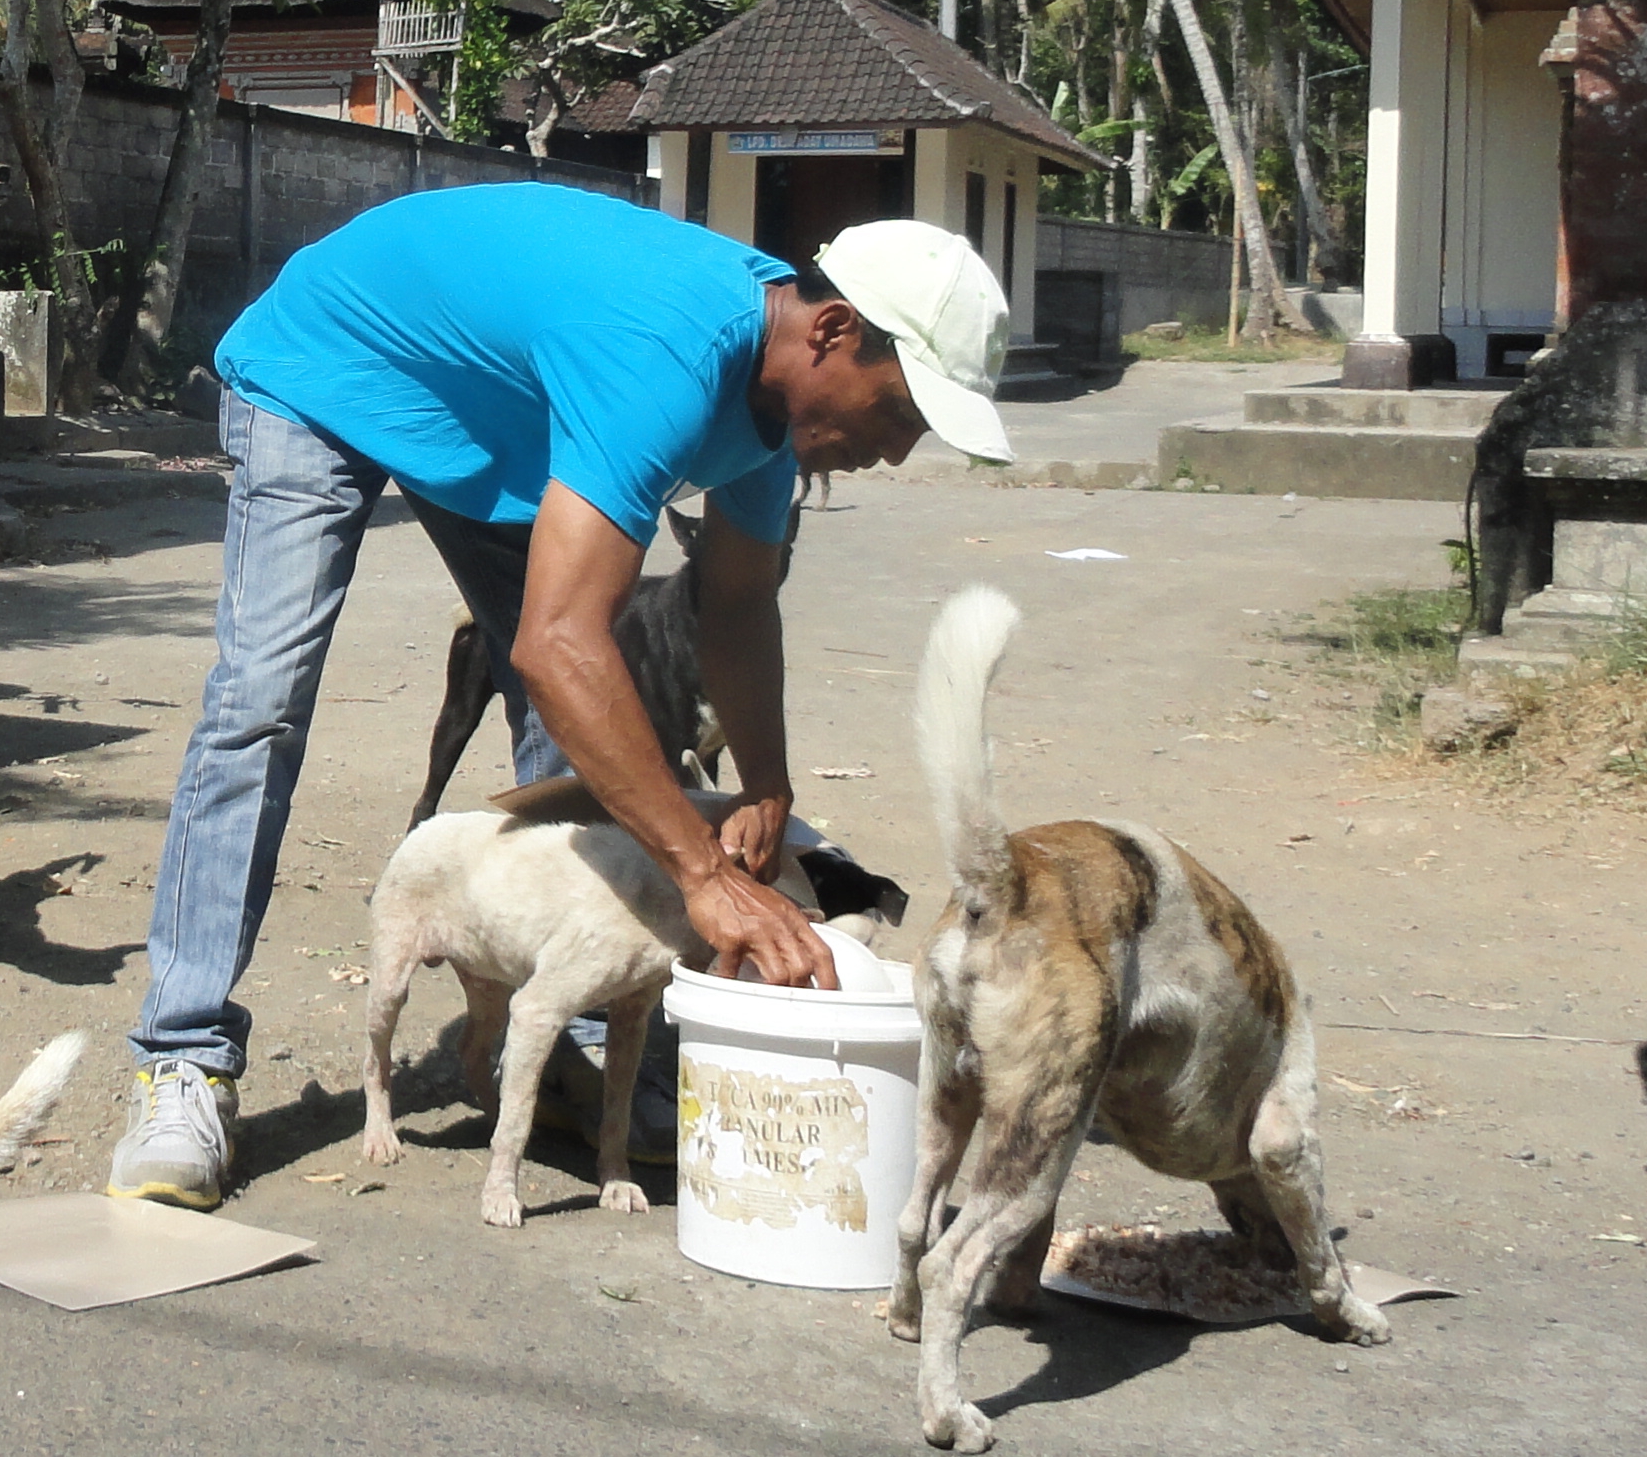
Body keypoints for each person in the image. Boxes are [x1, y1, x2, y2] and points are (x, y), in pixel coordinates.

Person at [103, 187, 1014, 1209]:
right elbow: (555, 645)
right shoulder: (666, 354)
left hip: (495, 416)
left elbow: (740, 606)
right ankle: (179, 1060)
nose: (895, 452)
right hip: (328, 361)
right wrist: (703, 875)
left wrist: (765, 780)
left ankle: (572, 1019)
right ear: (834, 333)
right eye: (899, 414)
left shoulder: (772, 413)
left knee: (585, 718)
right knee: (262, 702)